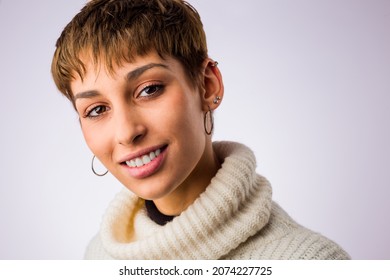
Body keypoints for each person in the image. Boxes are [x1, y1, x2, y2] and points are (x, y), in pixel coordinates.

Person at [51, 0, 349, 259]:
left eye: (149, 89)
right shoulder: (99, 256)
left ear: (207, 85)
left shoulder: (312, 262)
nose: (127, 132)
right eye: (97, 110)